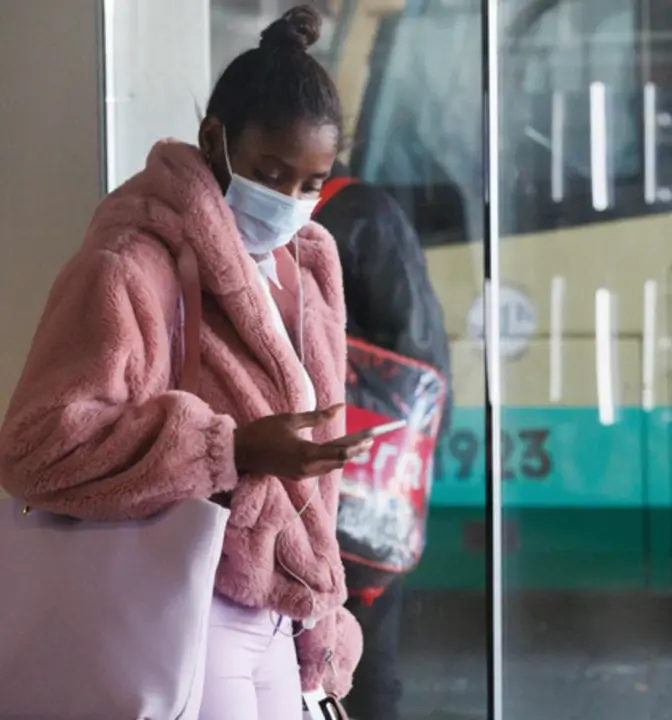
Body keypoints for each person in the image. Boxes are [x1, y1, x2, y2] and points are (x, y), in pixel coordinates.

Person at [0, 7, 364, 719]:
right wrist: (225, 449)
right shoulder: (130, 264)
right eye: (269, 172)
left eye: (310, 182)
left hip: (284, 623)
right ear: (212, 140)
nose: (289, 201)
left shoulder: (306, 270)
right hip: (188, 604)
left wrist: (322, 611)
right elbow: (37, 445)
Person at [314, 162, 453, 719]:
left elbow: (421, 377)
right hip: (310, 487)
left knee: (364, 667)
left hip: (357, 498)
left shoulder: (362, 215)